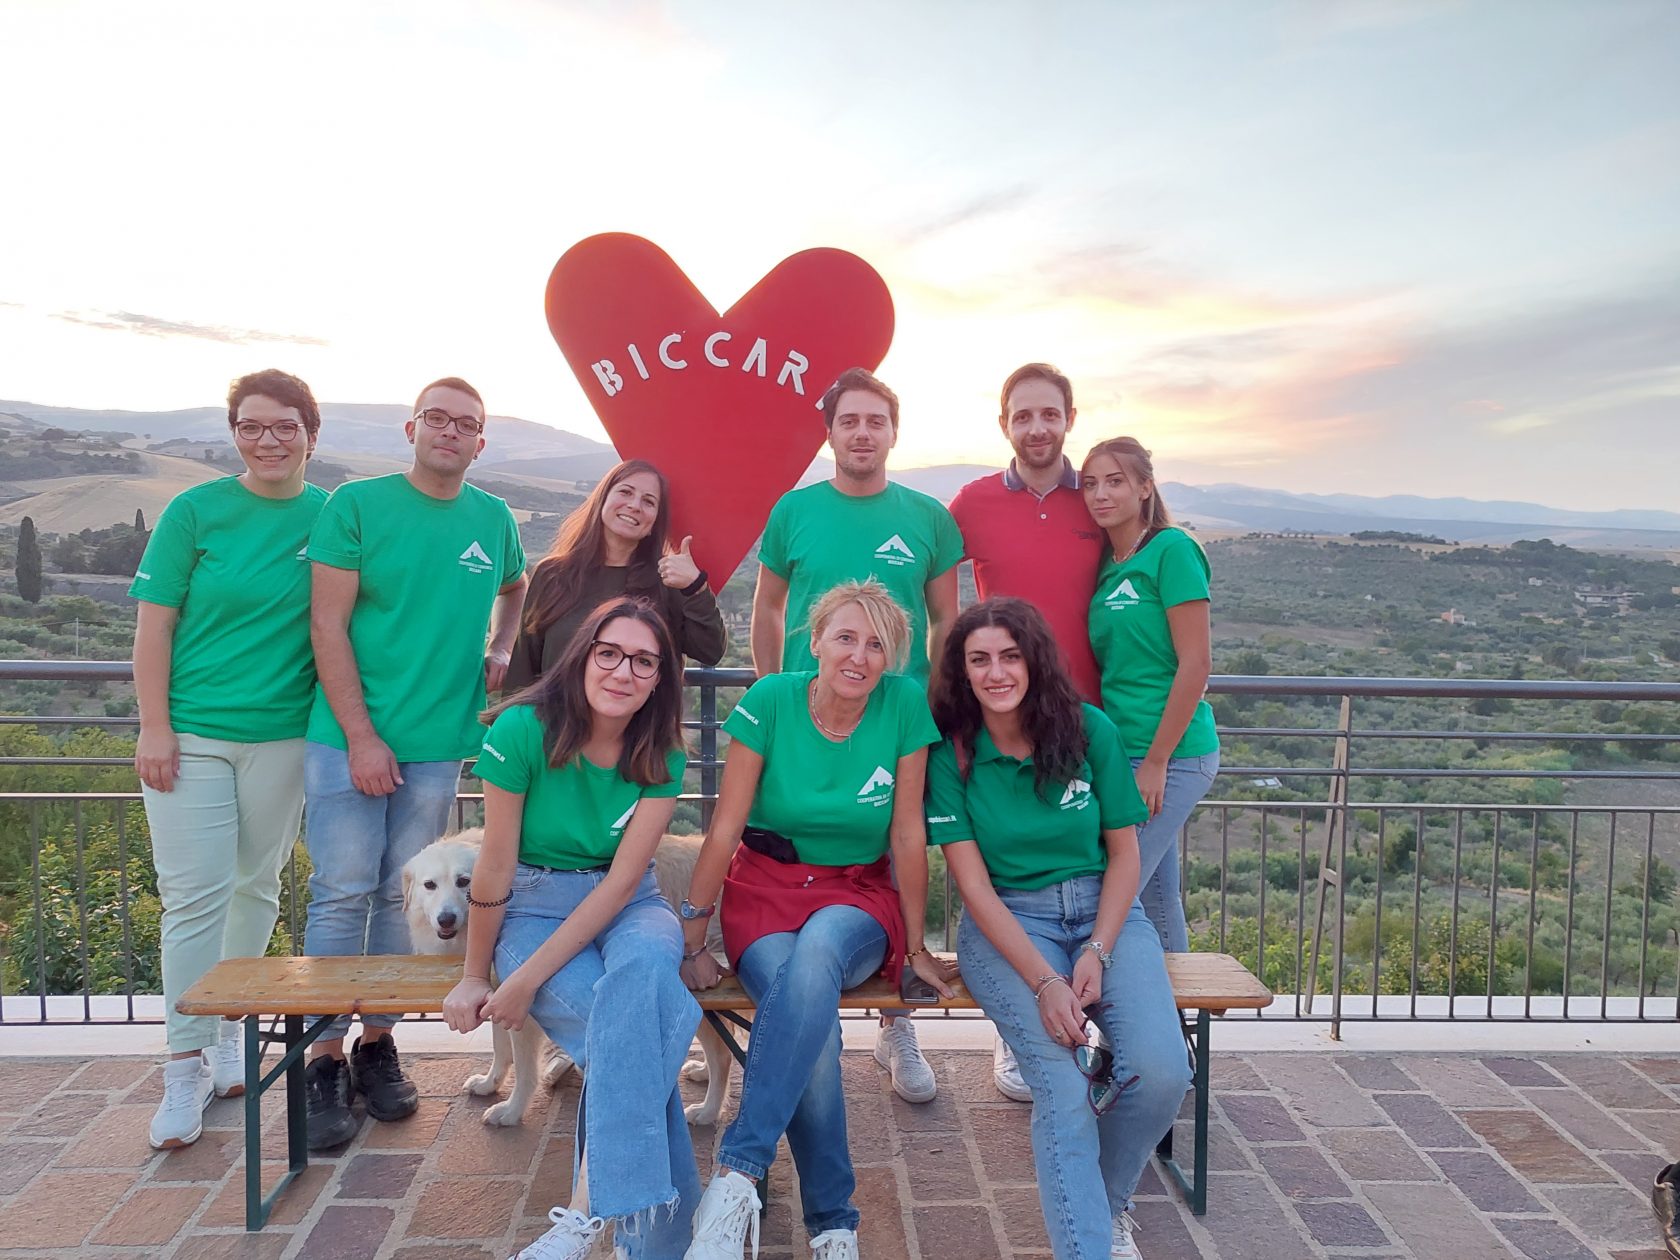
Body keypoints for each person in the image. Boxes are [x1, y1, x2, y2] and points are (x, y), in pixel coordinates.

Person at [680, 580, 954, 1260]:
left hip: (855, 896)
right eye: (846, 638)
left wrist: (916, 946)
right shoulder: (771, 700)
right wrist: (693, 933)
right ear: (816, 641)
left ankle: (737, 1174)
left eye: (876, 645)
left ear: (892, 658)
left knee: (821, 950)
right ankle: (833, 1225)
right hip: (765, 890)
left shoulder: (903, 705)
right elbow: (725, 827)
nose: (859, 656)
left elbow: (908, 834)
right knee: (814, 1028)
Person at [302, 376, 528, 1149]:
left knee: (409, 896)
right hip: (346, 738)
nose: (450, 431)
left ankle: (377, 1046)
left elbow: (516, 587)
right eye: (437, 418)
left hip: (437, 745)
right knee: (341, 892)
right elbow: (327, 625)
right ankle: (323, 1060)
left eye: (466, 423)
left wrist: (502, 646)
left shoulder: (492, 518)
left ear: (480, 442)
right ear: (412, 429)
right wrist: (362, 736)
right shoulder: (358, 505)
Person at [926, 597, 1188, 1260]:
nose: (996, 672)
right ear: (961, 671)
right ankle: (1088, 1243)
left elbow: (1125, 855)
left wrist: (1098, 948)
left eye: (1009, 656)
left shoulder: (1088, 729)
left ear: (1034, 660)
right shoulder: (953, 753)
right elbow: (973, 887)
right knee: (1066, 1092)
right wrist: (1046, 982)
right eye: (979, 659)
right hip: (1009, 922)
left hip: (1106, 913)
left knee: (1162, 1072)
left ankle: (1105, 1205)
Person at [444, 597, 700, 1260]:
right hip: (534, 904)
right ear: (583, 656)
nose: (623, 671)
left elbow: (621, 883)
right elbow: (494, 863)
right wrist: (477, 974)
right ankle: (659, 1245)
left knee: (640, 982)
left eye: (643, 661)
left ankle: (584, 1213)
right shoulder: (522, 730)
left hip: (633, 904)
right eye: (609, 653)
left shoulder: (661, 749)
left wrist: (525, 981)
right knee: (635, 1037)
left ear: (659, 679)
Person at [750, 367, 962, 1102]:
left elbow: (946, 622)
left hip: (896, 720)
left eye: (876, 421)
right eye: (850, 421)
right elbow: (768, 608)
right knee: (800, 850)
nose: (863, 433)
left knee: (900, 851)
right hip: (809, 717)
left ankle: (896, 1020)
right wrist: (772, 695)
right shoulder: (794, 510)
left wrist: (935, 708)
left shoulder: (928, 517)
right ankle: (794, 1007)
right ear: (830, 432)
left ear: (893, 432)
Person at [131, 369, 329, 1150]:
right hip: (190, 735)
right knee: (193, 898)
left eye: (284, 426)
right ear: (235, 433)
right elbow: (153, 627)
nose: (267, 440)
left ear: (311, 434)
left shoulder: (332, 516)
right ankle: (183, 1066)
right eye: (251, 426)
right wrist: (153, 727)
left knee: (256, 888)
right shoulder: (195, 511)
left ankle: (225, 1036)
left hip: (284, 737)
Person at [949, 361, 1105, 1101]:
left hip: (1090, 726)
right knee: (1004, 879)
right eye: (1023, 415)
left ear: (1070, 418)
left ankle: (1144, 1038)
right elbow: (933, 595)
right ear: (1004, 424)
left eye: (1050, 414)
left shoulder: (1097, 496)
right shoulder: (973, 502)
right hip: (1001, 722)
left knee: (1130, 886)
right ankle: (1021, 1032)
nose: (1037, 428)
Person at [1081, 437, 1217, 954]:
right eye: (1090, 484)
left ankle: (1115, 1006)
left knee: (1108, 892)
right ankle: (1176, 1002)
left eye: (1115, 481)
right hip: (1123, 751)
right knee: (1157, 897)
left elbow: (1196, 663)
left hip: (1173, 754)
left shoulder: (1172, 550)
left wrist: (1157, 762)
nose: (1100, 494)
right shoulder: (1107, 563)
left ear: (1144, 488)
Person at [505, 458, 726, 692]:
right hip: (554, 715)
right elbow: (523, 666)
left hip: (640, 717)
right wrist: (513, 715)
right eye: (625, 492)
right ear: (603, 499)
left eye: (649, 502)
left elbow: (709, 652)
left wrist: (696, 587)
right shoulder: (552, 574)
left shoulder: (668, 581)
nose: (634, 506)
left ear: (655, 522)